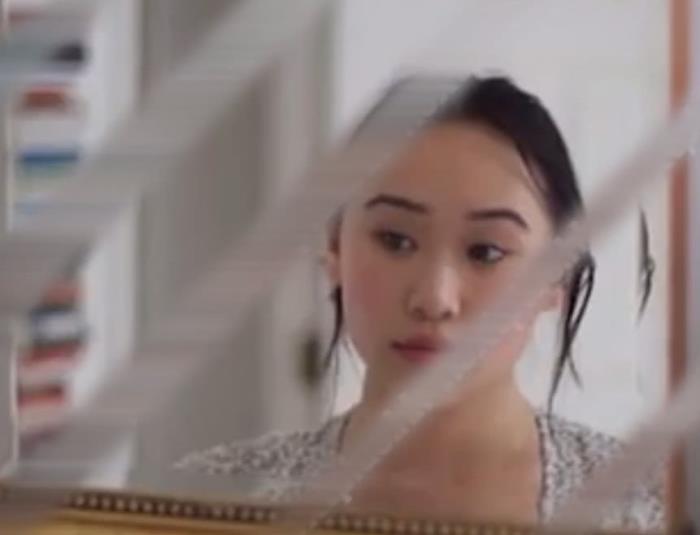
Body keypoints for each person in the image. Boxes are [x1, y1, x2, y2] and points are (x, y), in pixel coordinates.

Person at [177, 76, 664, 530]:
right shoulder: (205, 497)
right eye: (395, 240)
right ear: (334, 247)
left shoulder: (653, 505)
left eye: (486, 252)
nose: (434, 299)